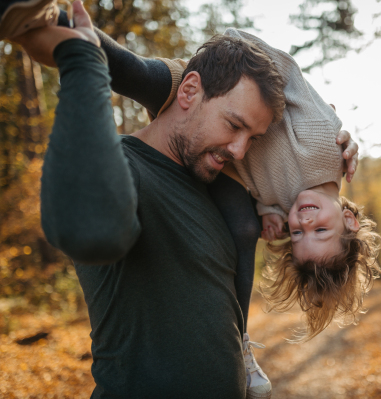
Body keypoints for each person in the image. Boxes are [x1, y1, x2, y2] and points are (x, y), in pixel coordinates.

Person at [2, 1, 359, 397]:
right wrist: (83, 65)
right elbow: (90, 230)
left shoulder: (221, 188)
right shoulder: (122, 167)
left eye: (251, 138)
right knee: (131, 68)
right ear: (189, 92)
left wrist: (330, 143)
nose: (241, 150)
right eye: (233, 125)